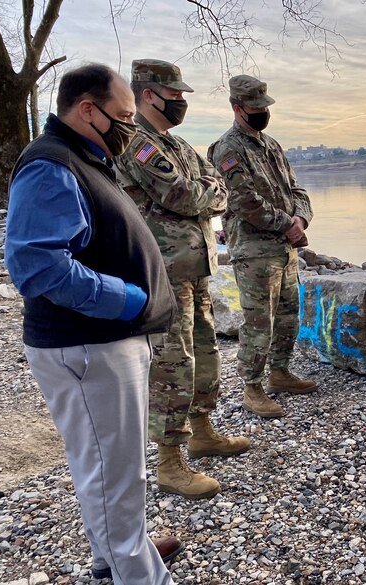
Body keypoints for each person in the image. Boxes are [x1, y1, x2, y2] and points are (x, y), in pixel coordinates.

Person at [5, 63, 183, 585]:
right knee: (115, 472)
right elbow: (38, 265)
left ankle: (117, 553)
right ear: (88, 109)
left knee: (108, 463)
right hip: (89, 345)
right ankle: (138, 574)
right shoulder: (50, 165)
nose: (132, 127)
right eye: (124, 116)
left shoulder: (82, 158)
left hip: (101, 344)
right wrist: (127, 299)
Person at [114, 59, 250, 500]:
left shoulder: (178, 146)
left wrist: (207, 191)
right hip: (163, 273)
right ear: (149, 94)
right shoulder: (137, 144)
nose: (182, 103)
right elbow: (184, 194)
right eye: (176, 96)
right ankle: (169, 463)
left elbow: (216, 184)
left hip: (195, 270)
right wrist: (207, 192)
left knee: (205, 354)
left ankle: (203, 431)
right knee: (173, 365)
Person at [208, 74, 316, 419]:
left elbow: (297, 190)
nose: (262, 112)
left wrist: (301, 220)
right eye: (255, 107)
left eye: (264, 107)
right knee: (259, 322)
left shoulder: (271, 145)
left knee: (288, 316)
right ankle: (252, 388)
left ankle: (280, 372)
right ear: (238, 108)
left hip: (286, 249)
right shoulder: (227, 149)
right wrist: (288, 226)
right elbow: (243, 201)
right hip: (255, 252)